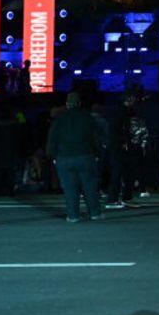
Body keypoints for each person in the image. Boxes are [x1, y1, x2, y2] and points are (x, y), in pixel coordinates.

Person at [47, 92, 102, 222]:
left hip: (64, 158)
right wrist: (97, 154)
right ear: (79, 103)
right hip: (85, 156)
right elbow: (96, 138)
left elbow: (52, 139)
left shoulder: (59, 119)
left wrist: (53, 156)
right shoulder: (87, 117)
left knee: (70, 188)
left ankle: (73, 215)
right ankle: (94, 213)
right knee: (89, 186)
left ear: (67, 104)